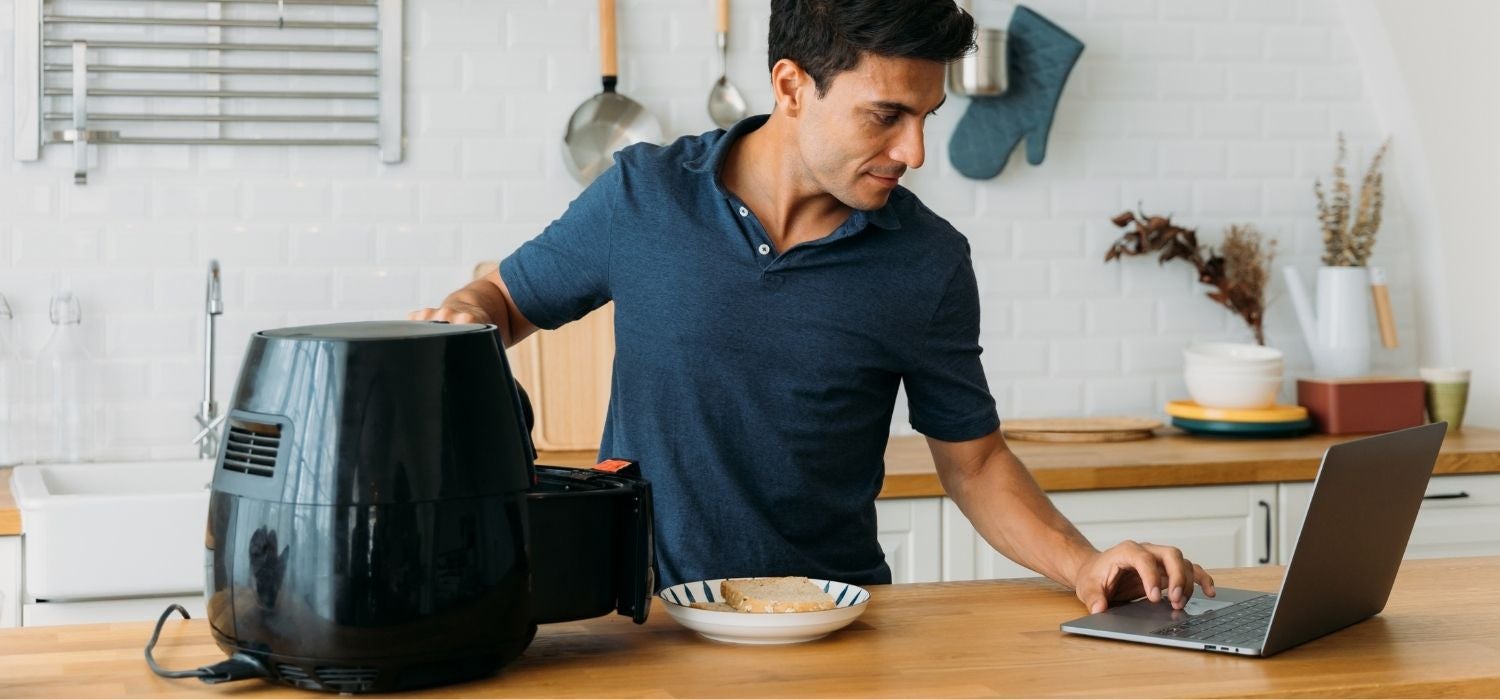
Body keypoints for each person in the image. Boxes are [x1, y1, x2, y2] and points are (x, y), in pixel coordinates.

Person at [411, 0, 1215, 614]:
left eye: (927, 117)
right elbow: (507, 299)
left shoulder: (927, 262)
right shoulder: (642, 197)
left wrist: (1084, 565)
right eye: (886, 115)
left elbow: (975, 463)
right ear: (792, 86)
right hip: (647, 622)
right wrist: (462, 317)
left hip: (831, 625)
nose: (915, 153)